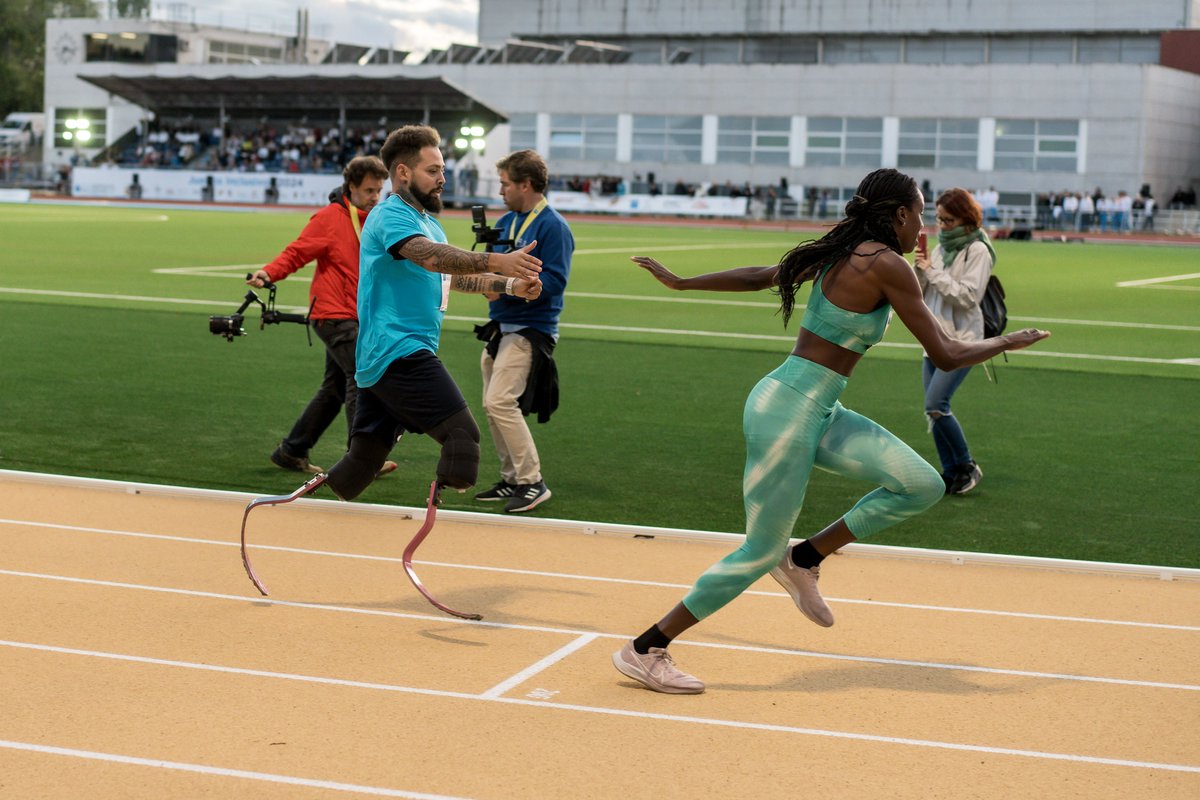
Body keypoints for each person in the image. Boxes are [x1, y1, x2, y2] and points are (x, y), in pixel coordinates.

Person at [614, 168, 1050, 694]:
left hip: (816, 407)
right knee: (756, 552)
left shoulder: (845, 248)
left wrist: (684, 280)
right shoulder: (888, 265)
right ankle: (645, 649)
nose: (922, 229)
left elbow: (762, 275)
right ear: (899, 216)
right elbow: (947, 352)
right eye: (918, 214)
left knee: (921, 484)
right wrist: (1005, 341)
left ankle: (805, 557)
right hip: (787, 410)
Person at [271, 124, 542, 507]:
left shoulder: (428, 221)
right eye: (433, 170)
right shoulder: (389, 215)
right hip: (398, 350)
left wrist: (511, 286)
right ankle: (433, 525)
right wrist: (499, 259)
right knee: (463, 439)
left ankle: (291, 514)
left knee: (362, 462)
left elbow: (448, 275)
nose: (442, 179)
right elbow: (429, 256)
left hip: (385, 356)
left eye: (443, 170)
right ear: (403, 172)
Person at [248, 156, 395, 477]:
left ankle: (292, 450)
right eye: (369, 190)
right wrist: (268, 273)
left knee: (335, 388)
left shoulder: (374, 219)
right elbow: (297, 252)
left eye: (379, 190)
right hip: (334, 314)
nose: (375, 197)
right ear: (351, 187)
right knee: (362, 377)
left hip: (357, 315)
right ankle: (363, 459)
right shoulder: (330, 218)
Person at [473, 149, 574, 513]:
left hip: (531, 328)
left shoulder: (552, 226)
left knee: (499, 401)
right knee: (492, 404)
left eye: (505, 184)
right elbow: (491, 265)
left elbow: (556, 280)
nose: (500, 191)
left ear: (525, 185)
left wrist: (507, 286)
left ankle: (532, 481)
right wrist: (490, 281)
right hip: (503, 325)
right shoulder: (508, 220)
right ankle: (512, 479)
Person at [912, 187, 996, 495]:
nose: (942, 226)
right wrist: (919, 270)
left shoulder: (978, 250)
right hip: (933, 338)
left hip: (963, 340)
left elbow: (968, 296)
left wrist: (931, 272)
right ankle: (950, 472)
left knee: (937, 403)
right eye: (939, 219)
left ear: (966, 219)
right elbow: (921, 293)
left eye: (948, 220)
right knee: (931, 409)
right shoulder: (939, 248)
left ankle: (967, 465)